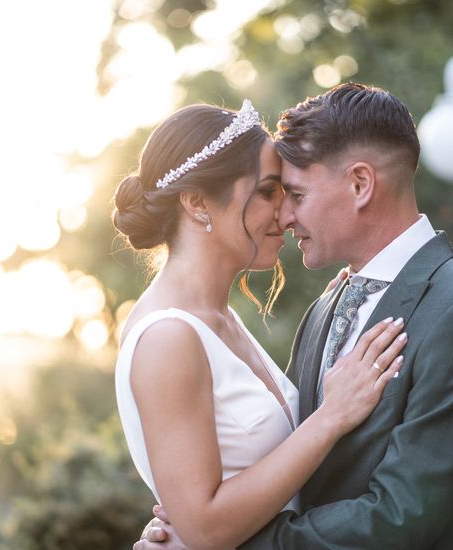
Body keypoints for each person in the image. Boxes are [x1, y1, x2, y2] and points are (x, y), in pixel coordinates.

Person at [134, 84, 453, 549]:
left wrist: (222, 543)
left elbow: (401, 517)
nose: (284, 215)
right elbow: (287, 462)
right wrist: (194, 522)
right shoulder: (328, 305)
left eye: (296, 194)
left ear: (360, 185)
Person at [111, 99, 409, 550]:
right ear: (196, 202)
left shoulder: (220, 320)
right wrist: (331, 417)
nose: (286, 214)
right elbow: (205, 527)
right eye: (269, 191)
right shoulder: (167, 337)